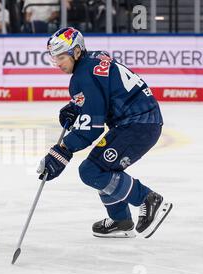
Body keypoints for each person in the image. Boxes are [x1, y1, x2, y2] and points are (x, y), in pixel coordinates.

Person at [39, 27, 173, 238]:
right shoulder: (93, 59)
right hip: (140, 122)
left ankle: (148, 199)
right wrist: (76, 106)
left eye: (61, 57)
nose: (57, 64)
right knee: (100, 165)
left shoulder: (82, 77)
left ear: (76, 52)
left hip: (138, 125)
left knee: (91, 170)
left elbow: (91, 128)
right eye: (54, 58)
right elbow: (102, 92)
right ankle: (121, 220)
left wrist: (62, 150)